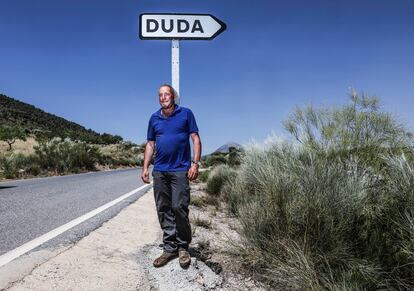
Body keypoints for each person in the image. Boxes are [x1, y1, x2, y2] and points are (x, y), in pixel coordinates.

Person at [141, 84, 202, 269]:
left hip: (180, 170)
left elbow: (196, 139)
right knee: (164, 208)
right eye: (160, 95)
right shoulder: (154, 118)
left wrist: (195, 163)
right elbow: (150, 144)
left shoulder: (186, 114)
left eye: (166, 94)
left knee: (179, 207)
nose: (163, 97)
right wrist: (145, 168)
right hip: (160, 170)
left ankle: (183, 246)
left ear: (173, 96)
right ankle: (169, 248)